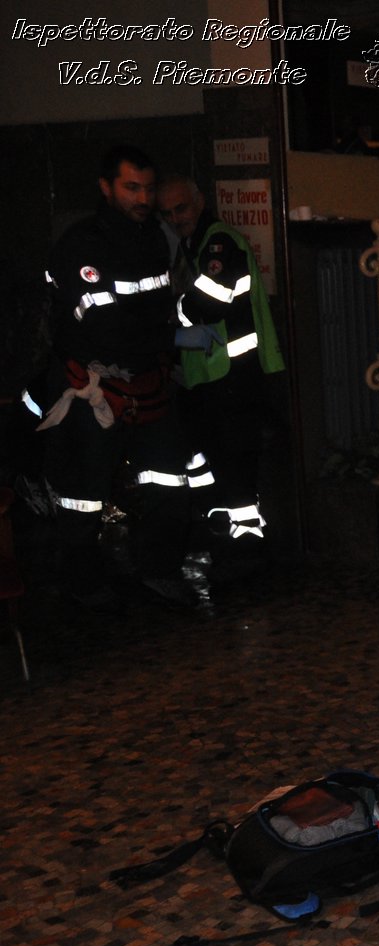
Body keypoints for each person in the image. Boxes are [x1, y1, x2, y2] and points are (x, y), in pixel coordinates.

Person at [37, 145, 196, 612]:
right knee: (83, 496)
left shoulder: (155, 238)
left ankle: (159, 571)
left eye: (148, 188)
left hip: (147, 385)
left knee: (169, 481)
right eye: (131, 187)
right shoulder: (82, 245)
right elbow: (105, 330)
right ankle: (83, 582)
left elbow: (161, 303)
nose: (142, 197)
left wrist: (169, 343)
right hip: (93, 388)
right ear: (106, 188)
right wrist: (172, 340)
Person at [156, 175, 285, 564]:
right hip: (207, 379)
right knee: (211, 458)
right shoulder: (190, 248)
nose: (176, 217)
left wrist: (169, 317)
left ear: (199, 201)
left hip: (235, 378)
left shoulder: (219, 242)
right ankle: (226, 532)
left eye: (181, 208)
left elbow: (210, 302)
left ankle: (248, 546)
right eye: (168, 213)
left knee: (236, 463)